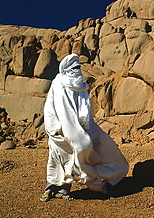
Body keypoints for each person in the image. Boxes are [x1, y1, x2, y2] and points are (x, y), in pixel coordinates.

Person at [40, 53, 129, 202]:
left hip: (82, 128)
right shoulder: (59, 82)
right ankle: (52, 189)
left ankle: (68, 188)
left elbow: (84, 112)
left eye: (78, 67)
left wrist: (84, 130)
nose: (76, 70)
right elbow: (58, 109)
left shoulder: (81, 85)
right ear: (66, 69)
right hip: (59, 128)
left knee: (104, 148)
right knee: (60, 158)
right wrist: (66, 131)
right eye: (73, 67)